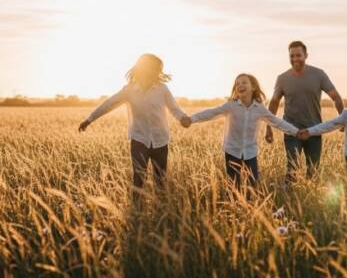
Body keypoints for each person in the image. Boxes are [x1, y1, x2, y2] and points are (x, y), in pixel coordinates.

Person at [78, 54, 191, 193]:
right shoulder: (129, 90)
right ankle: (137, 210)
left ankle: (161, 211)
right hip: (139, 141)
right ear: (143, 69)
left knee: (161, 181)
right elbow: (109, 104)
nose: (156, 72)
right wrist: (89, 119)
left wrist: (183, 118)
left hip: (161, 141)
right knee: (138, 180)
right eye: (153, 68)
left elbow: (174, 108)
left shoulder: (162, 89)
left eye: (158, 69)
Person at [188, 74, 299, 192]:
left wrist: (296, 132)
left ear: (253, 87)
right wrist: (191, 119)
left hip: (250, 153)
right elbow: (212, 112)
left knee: (253, 186)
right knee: (233, 186)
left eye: (244, 82)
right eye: (237, 84)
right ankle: (234, 206)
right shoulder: (231, 105)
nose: (240, 85)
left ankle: (250, 206)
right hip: (232, 151)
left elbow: (277, 122)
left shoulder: (259, 108)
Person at [265, 41, 344, 183]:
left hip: (314, 130)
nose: (295, 59)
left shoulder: (319, 74)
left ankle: (310, 201)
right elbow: (274, 102)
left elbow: (335, 97)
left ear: (306, 55)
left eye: (298, 55)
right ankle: (290, 201)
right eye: (292, 56)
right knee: (292, 168)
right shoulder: (282, 78)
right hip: (291, 130)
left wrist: (342, 118)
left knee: (313, 171)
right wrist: (268, 127)